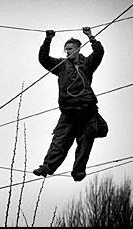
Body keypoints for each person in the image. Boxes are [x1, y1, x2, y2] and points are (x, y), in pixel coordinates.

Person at [33, 27, 105, 182]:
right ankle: (47, 167)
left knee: (85, 141)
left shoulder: (87, 64)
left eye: (70, 49)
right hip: (69, 111)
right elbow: (43, 59)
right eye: (65, 50)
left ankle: (78, 171)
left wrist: (90, 37)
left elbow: (99, 52)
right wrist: (48, 39)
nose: (67, 52)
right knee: (59, 141)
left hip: (87, 110)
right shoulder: (61, 65)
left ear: (78, 49)